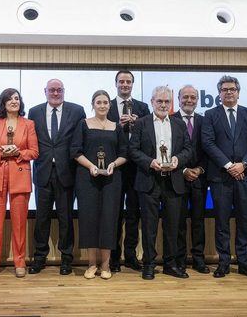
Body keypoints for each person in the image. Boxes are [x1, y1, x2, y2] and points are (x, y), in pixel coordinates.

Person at [202, 75, 247, 279]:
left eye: (232, 89)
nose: (229, 92)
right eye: (225, 89)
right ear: (219, 93)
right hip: (220, 176)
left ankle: (245, 262)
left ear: (238, 92)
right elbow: (208, 143)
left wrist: (243, 164)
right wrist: (229, 166)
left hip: (246, 176)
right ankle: (224, 262)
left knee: (244, 221)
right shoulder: (210, 114)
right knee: (221, 222)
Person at [129, 86, 193, 280]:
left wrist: (177, 160)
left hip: (173, 181)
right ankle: (148, 264)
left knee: (173, 226)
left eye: (167, 102)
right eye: (160, 101)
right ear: (152, 102)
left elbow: (188, 149)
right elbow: (133, 150)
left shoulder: (179, 124)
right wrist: (150, 162)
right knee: (149, 227)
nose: (163, 105)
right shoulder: (141, 123)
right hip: (149, 181)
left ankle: (170, 264)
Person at [27, 79, 85, 275]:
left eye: (59, 90)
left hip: (67, 173)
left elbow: (81, 141)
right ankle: (39, 257)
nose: (55, 93)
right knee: (41, 217)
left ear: (64, 91)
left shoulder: (77, 111)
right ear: (45, 91)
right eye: (52, 90)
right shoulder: (34, 112)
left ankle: (67, 258)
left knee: (66, 217)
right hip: (42, 172)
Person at [70, 90, 127, 280]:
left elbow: (124, 153)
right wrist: (91, 166)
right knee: (89, 220)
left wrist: (113, 164)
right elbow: (76, 152)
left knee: (109, 220)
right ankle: (91, 264)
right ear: (92, 104)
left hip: (112, 179)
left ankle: (106, 265)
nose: (102, 105)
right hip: (87, 179)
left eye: (105, 102)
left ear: (109, 105)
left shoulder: (116, 127)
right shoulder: (83, 124)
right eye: (98, 102)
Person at [0, 88, 39, 278]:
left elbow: (34, 152)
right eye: (10, 99)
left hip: (20, 175)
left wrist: (17, 153)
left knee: (19, 223)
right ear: (4, 103)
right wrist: (1, 154)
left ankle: (19, 262)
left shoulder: (28, 124)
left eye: (17, 98)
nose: (14, 101)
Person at [107, 70, 150, 272]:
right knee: (114, 213)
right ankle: (113, 258)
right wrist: (118, 125)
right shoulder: (106, 105)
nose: (125, 84)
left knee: (133, 213)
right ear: (116, 83)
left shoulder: (142, 107)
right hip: (114, 166)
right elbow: (102, 130)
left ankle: (131, 256)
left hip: (137, 168)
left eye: (128, 81)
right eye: (121, 81)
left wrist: (137, 123)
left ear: (133, 84)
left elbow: (149, 134)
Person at [172, 85, 210, 274]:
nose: (189, 100)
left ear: (197, 100)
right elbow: (169, 151)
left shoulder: (205, 121)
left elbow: (209, 148)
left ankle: (198, 259)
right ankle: (179, 259)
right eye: (185, 97)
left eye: (193, 97)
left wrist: (199, 169)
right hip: (177, 178)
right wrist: (184, 169)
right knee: (178, 222)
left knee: (198, 221)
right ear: (178, 99)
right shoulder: (170, 120)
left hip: (200, 179)